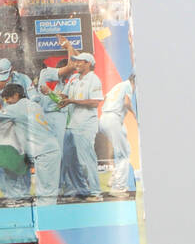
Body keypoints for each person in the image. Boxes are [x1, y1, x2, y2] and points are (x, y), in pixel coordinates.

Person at [56, 42, 104, 200]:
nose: (75, 63)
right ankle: (80, 190)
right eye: (75, 61)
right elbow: (65, 96)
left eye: (79, 61)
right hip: (71, 125)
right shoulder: (74, 78)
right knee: (69, 160)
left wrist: (72, 101)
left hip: (85, 125)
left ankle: (96, 193)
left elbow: (95, 102)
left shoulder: (94, 79)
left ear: (88, 64)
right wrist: (52, 94)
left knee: (86, 160)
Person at [99, 71, 136, 196]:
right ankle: (118, 188)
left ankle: (114, 179)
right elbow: (126, 102)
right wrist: (135, 114)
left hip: (105, 118)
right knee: (124, 153)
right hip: (113, 119)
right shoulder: (129, 86)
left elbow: (104, 97)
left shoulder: (118, 85)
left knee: (124, 148)